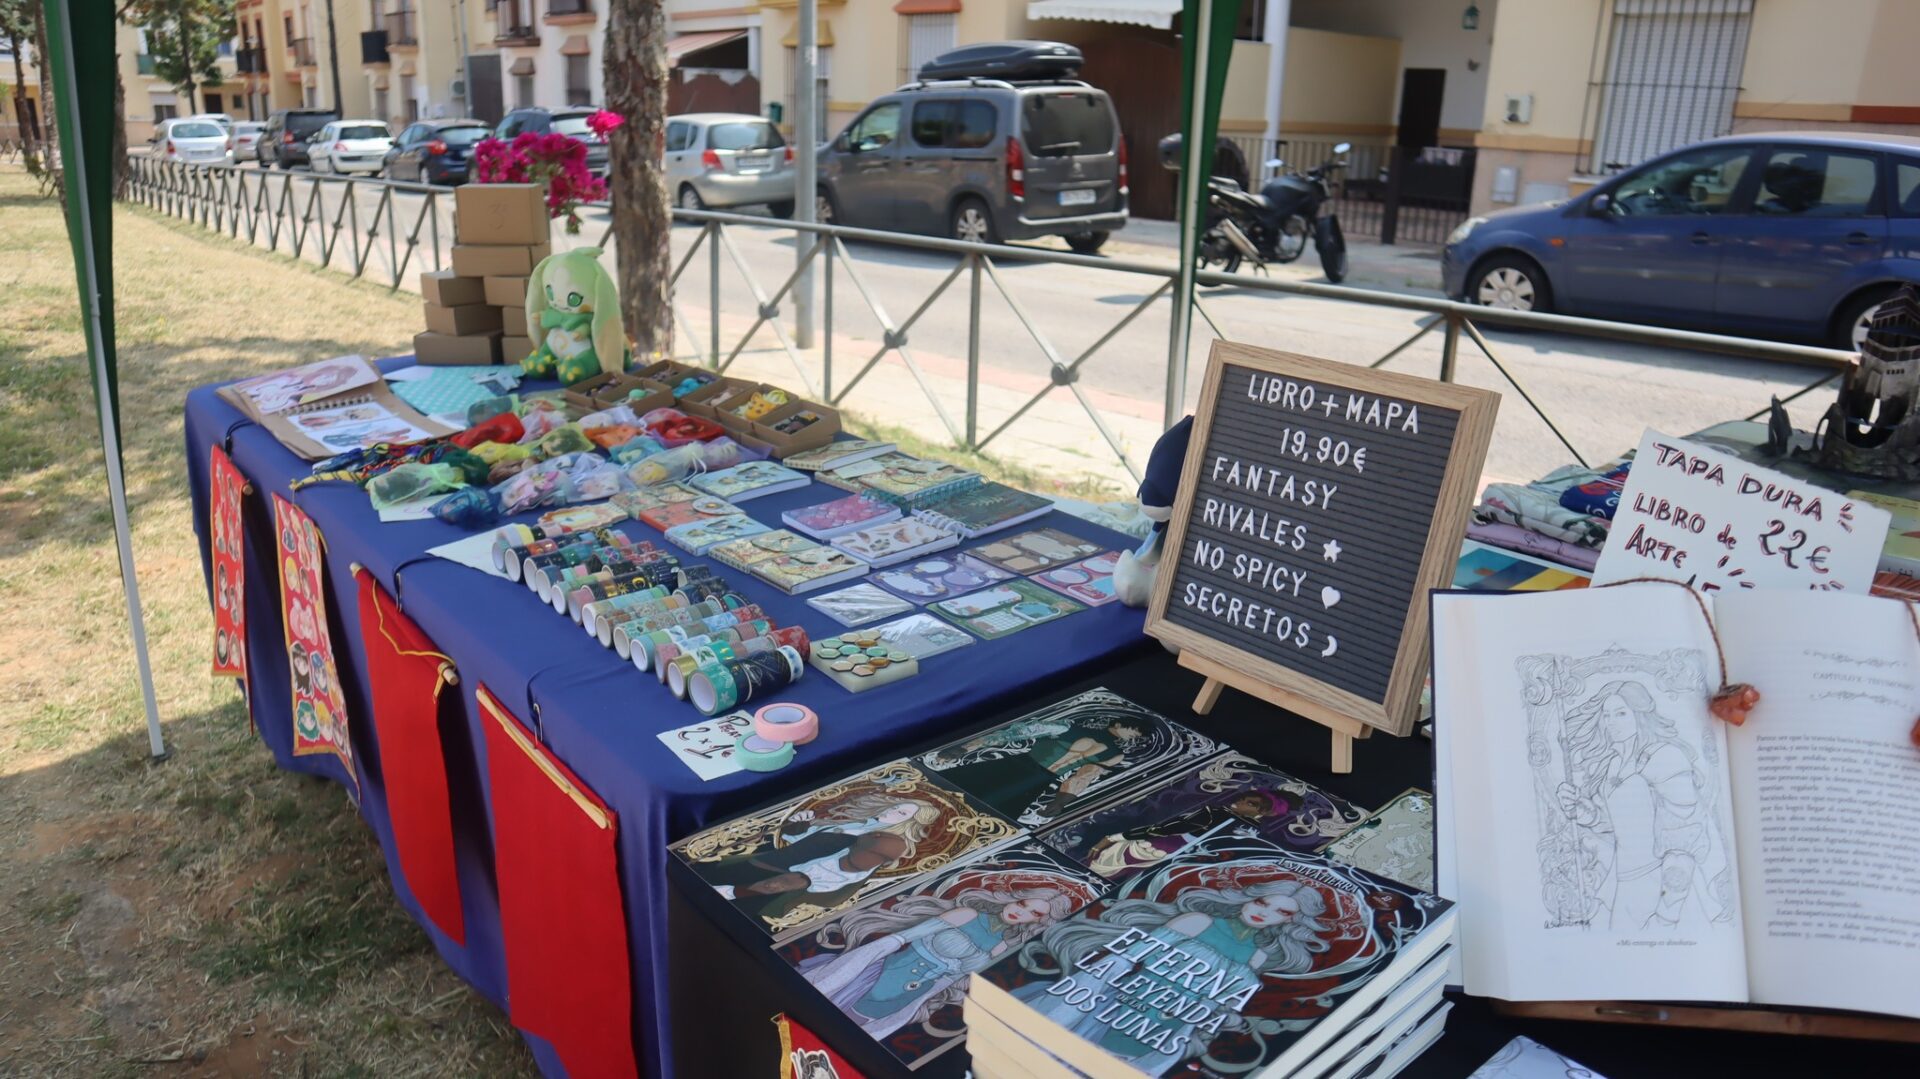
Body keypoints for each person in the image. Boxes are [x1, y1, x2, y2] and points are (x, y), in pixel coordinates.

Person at [1013, 878, 1333, 1073]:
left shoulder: (1258, 956)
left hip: (1164, 1032)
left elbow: (1214, 1006)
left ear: (1291, 921)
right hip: (1115, 1012)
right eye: (1263, 902)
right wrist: (1070, 1007)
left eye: (1282, 912)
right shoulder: (1197, 922)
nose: (1265, 912)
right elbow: (1121, 961)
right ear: (1249, 898)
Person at [1555, 680, 1735, 929]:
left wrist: (1666, 914)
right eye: (1607, 716)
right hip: (1625, 885)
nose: (1612, 722)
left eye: (1621, 713)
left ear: (1639, 714)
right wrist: (1589, 814)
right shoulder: (1613, 765)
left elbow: (1687, 833)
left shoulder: (1665, 757)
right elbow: (1624, 824)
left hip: (1663, 885)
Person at [800, 886, 1078, 1039]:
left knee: (844, 1037)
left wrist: (913, 1006)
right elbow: (899, 939)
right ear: (1015, 897)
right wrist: (844, 970)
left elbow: (951, 981)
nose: (1022, 912)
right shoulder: (966, 914)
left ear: (1039, 922)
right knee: (811, 1017)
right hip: (878, 976)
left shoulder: (1002, 947)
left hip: (910, 997)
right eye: (1024, 903)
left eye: (1034, 914)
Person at [700, 795, 942, 925]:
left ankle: (732, 893)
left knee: (749, 898)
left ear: (911, 822)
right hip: (774, 860)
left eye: (901, 813)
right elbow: (797, 839)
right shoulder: (858, 821)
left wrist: (809, 876)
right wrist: (801, 823)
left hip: (819, 875)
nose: (891, 812)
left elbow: (850, 868)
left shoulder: (890, 842)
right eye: (896, 806)